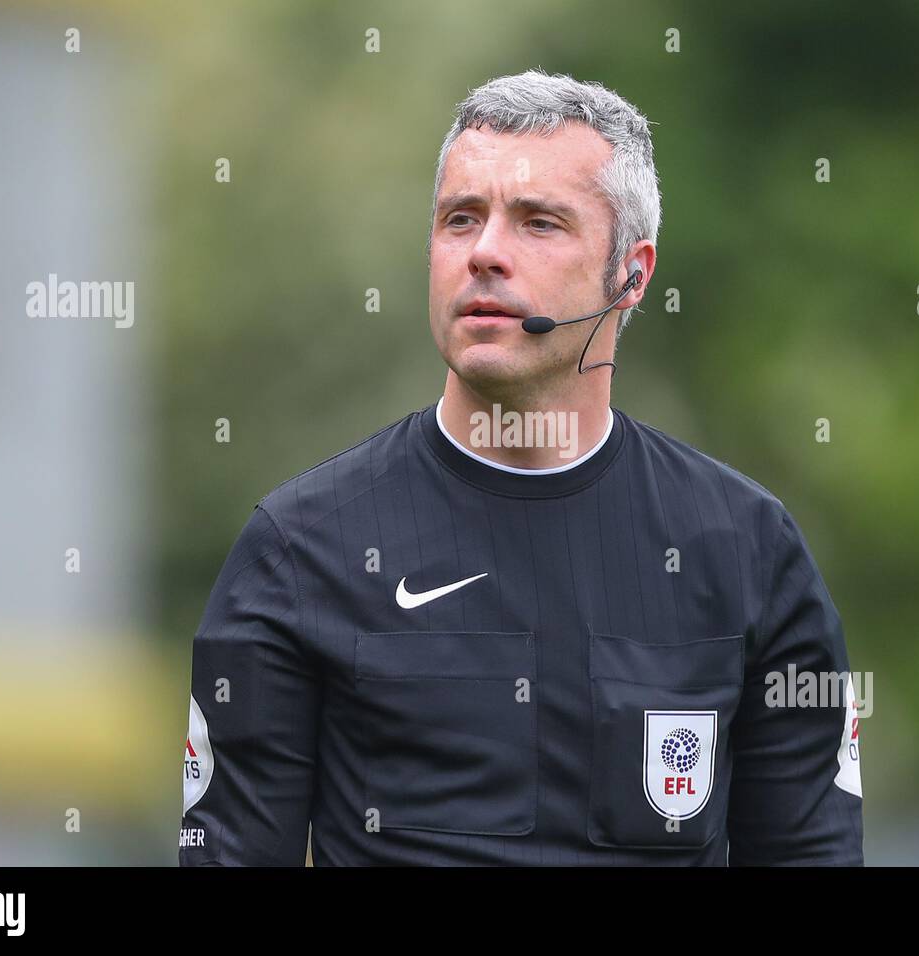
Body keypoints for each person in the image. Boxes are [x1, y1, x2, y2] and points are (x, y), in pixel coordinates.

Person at [179, 69, 862, 866]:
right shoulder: (298, 550)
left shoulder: (746, 550)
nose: (485, 254)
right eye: (460, 219)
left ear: (632, 274)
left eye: (539, 223)